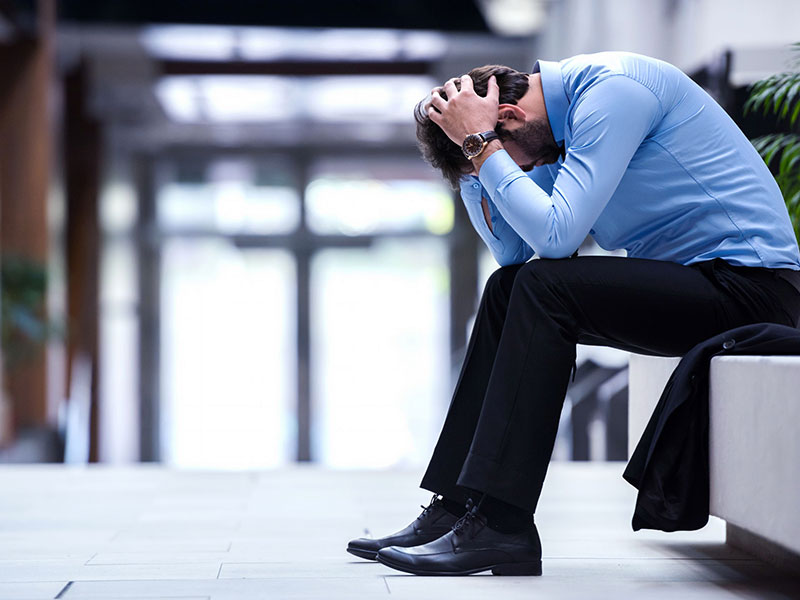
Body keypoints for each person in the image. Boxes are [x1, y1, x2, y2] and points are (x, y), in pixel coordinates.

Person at [347, 51, 800, 576]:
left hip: (756, 290)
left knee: (545, 288)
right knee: (508, 287)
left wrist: (480, 144)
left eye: (504, 157)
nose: (522, 171)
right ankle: (457, 507)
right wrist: (474, 160)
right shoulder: (549, 132)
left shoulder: (613, 93)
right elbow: (514, 252)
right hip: (703, 285)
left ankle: (503, 523)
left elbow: (557, 239)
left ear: (509, 119)